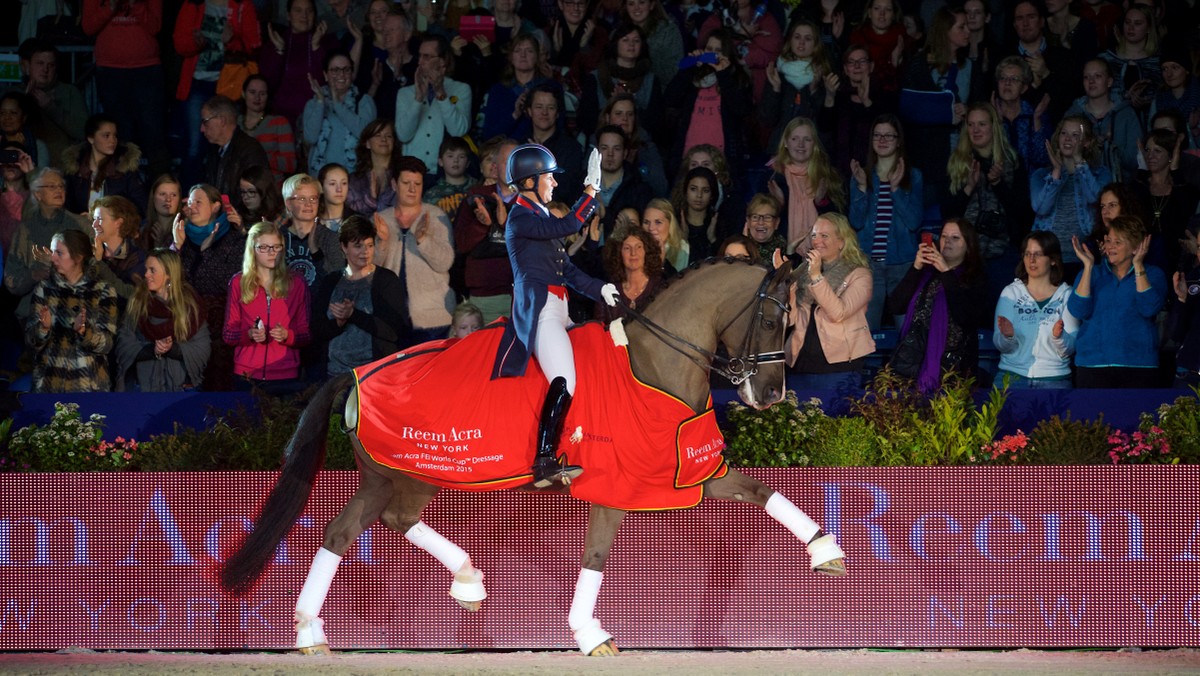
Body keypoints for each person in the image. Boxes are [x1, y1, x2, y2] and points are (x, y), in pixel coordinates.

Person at [490, 143, 617, 488]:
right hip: (543, 313)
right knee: (565, 379)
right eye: (549, 178)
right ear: (530, 182)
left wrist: (600, 289)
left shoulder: (541, 216)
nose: (554, 184)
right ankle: (544, 459)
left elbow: (569, 271)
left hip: (561, 308)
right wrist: (590, 192)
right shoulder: (520, 216)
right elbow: (567, 227)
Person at [887, 218, 990, 393]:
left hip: (954, 368)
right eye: (944, 236)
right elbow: (895, 307)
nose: (947, 241)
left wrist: (946, 273)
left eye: (955, 238)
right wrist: (916, 268)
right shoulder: (925, 272)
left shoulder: (977, 278)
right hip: (913, 365)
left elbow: (965, 317)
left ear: (969, 246)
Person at [945, 102, 1030, 308]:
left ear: (993, 127)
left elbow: (1023, 214)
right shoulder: (957, 162)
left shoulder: (1012, 160)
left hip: (1003, 254)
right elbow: (947, 214)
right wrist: (968, 188)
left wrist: (998, 184)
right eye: (971, 124)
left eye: (981, 124)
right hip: (966, 255)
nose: (975, 130)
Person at [1068, 216, 1167, 388]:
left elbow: (1149, 308)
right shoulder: (1093, 273)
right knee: (1092, 416)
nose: (1110, 246)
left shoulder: (1154, 274)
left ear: (1136, 247)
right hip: (1092, 364)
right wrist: (1088, 267)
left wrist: (1138, 266)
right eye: (1108, 241)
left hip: (1139, 365)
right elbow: (1078, 310)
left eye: (1118, 242)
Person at [783, 211, 875, 392]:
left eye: (824, 236)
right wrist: (788, 282)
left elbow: (838, 313)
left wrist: (816, 277)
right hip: (798, 360)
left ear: (842, 242)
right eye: (814, 235)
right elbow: (791, 319)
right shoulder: (803, 271)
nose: (817, 241)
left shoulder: (860, 274)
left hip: (839, 364)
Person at [173, 0, 262, 184]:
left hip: (231, 84)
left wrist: (232, 41)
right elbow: (180, 45)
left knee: (228, 145)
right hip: (198, 84)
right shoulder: (193, 4)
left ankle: (226, 200)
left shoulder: (242, 4)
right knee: (194, 148)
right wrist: (195, 42)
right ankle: (192, 202)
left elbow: (254, 45)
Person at [848, 113, 923, 330]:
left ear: (898, 141)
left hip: (902, 265)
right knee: (866, 333)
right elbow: (856, 221)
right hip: (869, 265)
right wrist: (862, 188)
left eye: (888, 136)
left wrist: (895, 189)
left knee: (907, 332)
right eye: (877, 135)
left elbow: (914, 222)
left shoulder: (913, 176)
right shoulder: (862, 175)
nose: (882, 140)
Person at [312, 214, 409, 375]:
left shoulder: (386, 280)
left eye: (370, 245)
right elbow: (317, 331)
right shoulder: (331, 282)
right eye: (358, 246)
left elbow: (393, 331)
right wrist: (338, 322)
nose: (365, 252)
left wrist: (353, 314)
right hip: (335, 374)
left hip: (375, 374)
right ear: (344, 247)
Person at [372, 156, 455, 344]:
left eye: (417, 183)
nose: (412, 189)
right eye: (406, 183)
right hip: (391, 318)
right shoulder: (380, 219)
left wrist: (423, 240)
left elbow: (445, 263)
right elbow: (371, 270)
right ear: (394, 184)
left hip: (433, 318)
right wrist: (383, 242)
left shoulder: (436, 216)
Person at [173, 183, 248, 391]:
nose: (192, 206)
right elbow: (177, 281)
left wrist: (205, 253)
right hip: (189, 325)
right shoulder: (183, 239)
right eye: (189, 202)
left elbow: (229, 282)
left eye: (198, 201)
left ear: (215, 207)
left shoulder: (234, 240)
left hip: (222, 331)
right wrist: (176, 247)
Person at [82, 0, 169, 177]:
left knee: (154, 134)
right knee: (118, 135)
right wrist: (111, 7)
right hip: (110, 70)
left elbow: (155, 26)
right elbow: (88, 27)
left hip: (146, 69)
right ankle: (123, 189)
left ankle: (162, 191)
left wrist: (135, 4)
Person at [25, 229, 119, 392]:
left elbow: (107, 344)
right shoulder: (44, 289)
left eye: (59, 253)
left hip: (87, 384)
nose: (53, 258)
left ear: (78, 257)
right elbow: (31, 341)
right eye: (53, 251)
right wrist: (43, 329)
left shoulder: (102, 290)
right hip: (50, 383)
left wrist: (85, 332)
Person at [223, 221, 311, 392]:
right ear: (252, 250)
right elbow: (228, 334)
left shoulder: (297, 283)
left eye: (276, 247)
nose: (271, 253)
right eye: (264, 247)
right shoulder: (238, 283)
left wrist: (288, 336)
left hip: (285, 376)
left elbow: (306, 334)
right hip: (247, 375)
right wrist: (249, 334)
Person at [114, 249, 211, 391]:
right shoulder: (138, 303)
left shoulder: (190, 306)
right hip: (143, 388)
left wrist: (173, 349)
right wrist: (151, 350)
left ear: (169, 274)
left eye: (152, 270)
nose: (146, 274)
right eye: (146, 269)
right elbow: (124, 342)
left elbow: (202, 347)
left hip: (180, 389)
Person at [1030, 115, 1110, 281]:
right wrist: (1057, 173)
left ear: (1086, 142)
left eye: (1076, 135)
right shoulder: (1041, 174)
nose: (1068, 139)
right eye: (1064, 133)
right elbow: (1041, 207)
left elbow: (1096, 199)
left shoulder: (1100, 173)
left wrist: (1079, 162)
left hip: (1083, 258)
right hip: (1046, 258)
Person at [992, 231, 1076, 389]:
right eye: (1027, 254)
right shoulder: (1011, 293)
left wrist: (1059, 337)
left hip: (1054, 380)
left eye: (1038, 254)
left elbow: (1070, 348)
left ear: (1052, 260)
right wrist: (1007, 336)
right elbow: (1000, 344)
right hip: (1012, 378)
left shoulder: (1067, 295)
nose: (1031, 260)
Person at [4, 168, 90, 319]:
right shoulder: (25, 230)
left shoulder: (81, 224)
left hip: (75, 310)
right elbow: (12, 281)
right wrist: (34, 275)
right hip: (34, 312)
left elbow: (95, 268)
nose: (58, 190)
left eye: (61, 186)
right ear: (38, 194)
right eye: (51, 186)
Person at [454, 137, 518, 322]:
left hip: (523, 295)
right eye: (507, 161)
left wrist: (506, 223)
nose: (513, 166)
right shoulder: (475, 197)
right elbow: (462, 244)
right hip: (484, 297)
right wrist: (482, 224)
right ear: (495, 167)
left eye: (517, 160)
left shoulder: (534, 200)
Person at [394, 34, 473, 173]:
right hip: (411, 172)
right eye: (420, 56)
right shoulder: (405, 93)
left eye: (427, 57)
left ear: (443, 61)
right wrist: (418, 99)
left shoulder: (461, 89)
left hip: (445, 173)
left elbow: (458, 131)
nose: (420, 62)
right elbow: (403, 135)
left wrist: (440, 93)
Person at [818, 43, 898, 178]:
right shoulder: (838, 96)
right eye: (851, 62)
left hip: (875, 172)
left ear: (871, 66)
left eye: (862, 61)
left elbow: (889, 129)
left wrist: (867, 102)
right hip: (840, 171)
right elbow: (825, 128)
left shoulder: (884, 96)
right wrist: (830, 96)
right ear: (845, 69)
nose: (856, 66)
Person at [767, 116, 844, 258]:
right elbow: (764, 224)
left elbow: (840, 222)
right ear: (785, 142)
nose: (801, 145)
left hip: (822, 258)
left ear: (814, 144)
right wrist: (779, 205)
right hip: (783, 257)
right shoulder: (772, 176)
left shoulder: (827, 175)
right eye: (795, 139)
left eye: (807, 139)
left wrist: (822, 203)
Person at [1130, 128, 1200, 275]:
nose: (1150, 155)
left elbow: (1186, 209)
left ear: (1170, 155)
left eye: (1157, 151)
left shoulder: (1184, 188)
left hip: (1174, 259)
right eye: (1148, 150)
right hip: (1139, 255)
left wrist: (1175, 169)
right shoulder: (1138, 186)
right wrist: (1142, 170)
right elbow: (1130, 205)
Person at [259, 0, 339, 125]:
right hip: (280, 120)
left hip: (318, 118)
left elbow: (331, 83)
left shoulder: (328, 42)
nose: (304, 15)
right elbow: (267, 87)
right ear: (288, 15)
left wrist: (316, 47)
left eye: (309, 11)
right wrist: (279, 52)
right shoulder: (276, 42)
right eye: (298, 10)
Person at [16, 39, 88, 169]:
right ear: (27, 66)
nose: (45, 69)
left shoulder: (69, 92)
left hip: (62, 167)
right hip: (24, 167)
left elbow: (83, 131)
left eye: (51, 65)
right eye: (40, 63)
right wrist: (25, 103)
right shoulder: (15, 94)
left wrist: (52, 108)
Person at [303, 49, 377, 172]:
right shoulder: (314, 103)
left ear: (352, 73)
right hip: (321, 177)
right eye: (335, 70)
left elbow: (366, 135)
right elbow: (310, 137)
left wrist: (338, 105)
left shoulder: (364, 101)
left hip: (354, 178)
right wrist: (321, 101)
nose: (341, 75)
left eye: (346, 70)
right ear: (325, 75)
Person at [762, 20, 832, 149]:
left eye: (808, 38)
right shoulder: (778, 74)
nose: (801, 42)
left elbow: (826, 125)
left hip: (812, 152)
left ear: (816, 44)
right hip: (781, 150)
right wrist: (776, 90)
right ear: (790, 41)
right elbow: (768, 120)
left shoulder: (824, 75)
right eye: (797, 37)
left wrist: (813, 90)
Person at [63, 114, 148, 218]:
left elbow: (140, 207)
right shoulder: (75, 171)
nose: (113, 140)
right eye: (106, 135)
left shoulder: (124, 170)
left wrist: (109, 216)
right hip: (82, 230)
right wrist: (80, 219)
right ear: (91, 138)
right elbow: (67, 207)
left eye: (115, 135)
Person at [201, 95, 272, 214]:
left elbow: (256, 198)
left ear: (222, 120)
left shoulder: (250, 151)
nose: (202, 128)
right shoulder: (214, 151)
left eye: (205, 121)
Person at [477, 34, 551, 142]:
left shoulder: (550, 88)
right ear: (511, 57)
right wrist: (515, 115)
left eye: (529, 51)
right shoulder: (497, 90)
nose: (523, 55)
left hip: (540, 152)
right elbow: (489, 135)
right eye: (518, 51)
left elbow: (559, 129)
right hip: (505, 153)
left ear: (537, 57)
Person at [280, 173, 344, 287]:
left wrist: (316, 253)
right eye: (302, 199)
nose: (308, 204)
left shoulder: (330, 238)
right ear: (288, 204)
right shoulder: (278, 238)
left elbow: (338, 281)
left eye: (313, 198)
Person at [990, 56, 1050, 173]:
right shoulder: (987, 114)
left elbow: (1041, 159)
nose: (1007, 83)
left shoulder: (1035, 113)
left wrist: (1036, 120)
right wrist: (997, 122)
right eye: (1003, 78)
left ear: (1024, 88)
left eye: (1014, 79)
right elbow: (989, 159)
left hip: (1030, 184)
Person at [594, 223, 662, 323]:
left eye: (638, 247)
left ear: (646, 251)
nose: (633, 253)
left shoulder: (659, 287)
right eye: (627, 248)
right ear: (618, 253)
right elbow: (598, 331)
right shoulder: (607, 291)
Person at [89, 195, 148, 305]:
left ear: (119, 223)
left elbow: (128, 295)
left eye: (100, 219)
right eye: (94, 219)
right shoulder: (90, 251)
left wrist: (98, 262)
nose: (94, 224)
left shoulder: (137, 257)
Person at [240, 75, 298, 184]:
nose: (257, 98)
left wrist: (259, 155)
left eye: (262, 94)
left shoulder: (279, 123)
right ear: (243, 94)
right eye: (252, 92)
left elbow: (291, 164)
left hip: (271, 188)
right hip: (240, 188)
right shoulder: (235, 122)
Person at [847, 0, 909, 93]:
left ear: (894, 15)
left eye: (888, 9)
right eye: (877, 8)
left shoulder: (904, 40)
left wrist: (896, 62)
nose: (882, 13)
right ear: (869, 13)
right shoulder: (856, 38)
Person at [347, 119, 400, 215]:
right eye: (378, 135)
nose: (383, 139)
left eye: (388, 136)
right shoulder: (354, 180)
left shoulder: (401, 175)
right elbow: (350, 211)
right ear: (367, 143)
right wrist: (371, 199)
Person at [1169, 222, 1200, 388]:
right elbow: (1176, 334)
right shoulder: (1192, 279)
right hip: (1189, 373)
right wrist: (1182, 299)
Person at [672, 166, 720, 264]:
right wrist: (683, 241)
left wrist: (713, 239)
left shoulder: (719, 224)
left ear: (712, 195)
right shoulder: (673, 222)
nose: (699, 195)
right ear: (685, 192)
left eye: (705, 190)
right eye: (693, 189)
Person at [0, 92, 50, 168]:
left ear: (24, 117)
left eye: (13, 113)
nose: (7, 117)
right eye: (2, 113)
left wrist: (22, 150)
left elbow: (38, 177)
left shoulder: (38, 146)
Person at [642, 198, 687, 274]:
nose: (651, 228)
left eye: (658, 222)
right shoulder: (635, 250)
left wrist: (662, 264)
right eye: (646, 222)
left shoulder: (685, 251)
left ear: (670, 224)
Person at [141, 175, 184, 250]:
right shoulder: (142, 232)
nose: (168, 199)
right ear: (153, 198)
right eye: (162, 194)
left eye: (173, 195)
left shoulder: (186, 231)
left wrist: (162, 245)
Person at [742, 193, 786, 259]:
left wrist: (790, 252)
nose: (761, 222)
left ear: (776, 223)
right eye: (755, 217)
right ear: (748, 221)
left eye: (767, 217)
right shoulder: (736, 249)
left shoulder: (783, 248)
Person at [317, 163, 355, 232]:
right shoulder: (312, 220)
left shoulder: (357, 221)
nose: (339, 189)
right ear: (321, 187)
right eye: (332, 184)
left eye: (344, 183)